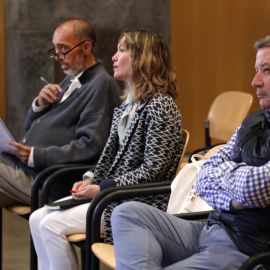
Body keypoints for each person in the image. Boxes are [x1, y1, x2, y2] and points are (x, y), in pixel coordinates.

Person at [111, 35, 270, 270]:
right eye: (256, 70)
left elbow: (252, 188)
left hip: (244, 248)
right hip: (212, 227)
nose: (255, 81)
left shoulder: (159, 106)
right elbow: (203, 178)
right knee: (126, 213)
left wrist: (226, 175)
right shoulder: (254, 121)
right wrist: (234, 200)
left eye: (266, 71)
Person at [29, 29, 183, 270]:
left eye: (122, 50)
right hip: (112, 196)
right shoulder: (127, 105)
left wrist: (102, 188)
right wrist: (90, 179)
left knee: (50, 225)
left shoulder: (160, 106)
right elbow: (108, 157)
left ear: (144, 58)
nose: (113, 57)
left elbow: (153, 171)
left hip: (136, 203)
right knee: (37, 217)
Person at [0, 19, 121, 205]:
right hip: (26, 170)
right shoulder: (71, 78)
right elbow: (30, 127)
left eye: (63, 48)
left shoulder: (100, 85)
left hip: (47, 182)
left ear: (86, 47)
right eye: (55, 49)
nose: (58, 57)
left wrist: (36, 156)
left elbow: (91, 147)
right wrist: (39, 105)